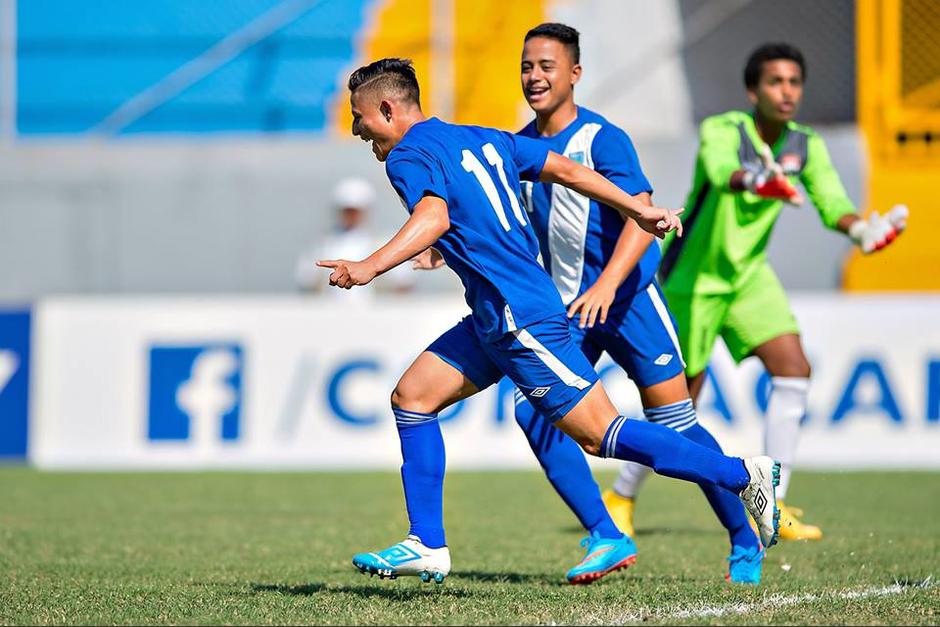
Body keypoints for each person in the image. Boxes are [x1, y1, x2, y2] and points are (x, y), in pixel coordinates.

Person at [318, 57, 780, 585]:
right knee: (413, 398)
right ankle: (426, 542)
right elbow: (566, 171)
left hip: (518, 318)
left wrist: (369, 266)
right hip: (497, 315)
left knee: (600, 435)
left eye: (359, 118)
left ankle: (742, 474)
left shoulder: (406, 155)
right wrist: (635, 208)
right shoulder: (485, 138)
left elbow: (435, 215)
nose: (357, 130)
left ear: (387, 108)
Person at [604, 42, 908, 542]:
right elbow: (723, 172)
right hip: (694, 281)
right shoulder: (722, 129)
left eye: (794, 82)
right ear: (753, 91)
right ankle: (621, 495)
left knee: (794, 369)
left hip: (749, 279)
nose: (787, 92)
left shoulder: (805, 144)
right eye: (775, 82)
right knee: (678, 402)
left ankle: (773, 503)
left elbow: (832, 203)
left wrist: (862, 231)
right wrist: (760, 179)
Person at [502, 22, 763, 584]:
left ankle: (744, 535)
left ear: (575, 73)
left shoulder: (603, 139)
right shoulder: (519, 146)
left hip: (630, 304)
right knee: (532, 413)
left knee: (677, 423)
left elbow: (640, 217)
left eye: (546, 66)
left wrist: (608, 284)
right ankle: (606, 533)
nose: (534, 76)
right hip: (571, 313)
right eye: (526, 66)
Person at [294, 176, 415, 298]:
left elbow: (404, 282)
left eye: (355, 210)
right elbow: (307, 281)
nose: (351, 215)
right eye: (347, 210)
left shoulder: (383, 243)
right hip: (331, 309)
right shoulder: (322, 246)